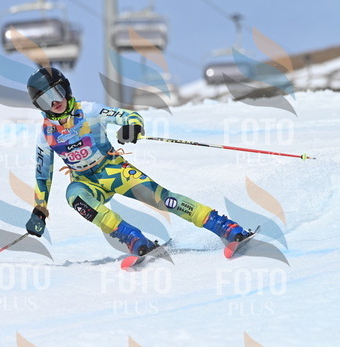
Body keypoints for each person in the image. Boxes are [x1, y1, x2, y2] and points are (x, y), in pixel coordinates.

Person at [24, 67, 251, 256]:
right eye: (45, 100)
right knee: (74, 196)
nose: (54, 102)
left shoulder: (89, 111)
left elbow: (128, 116)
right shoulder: (46, 136)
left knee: (164, 199)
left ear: (66, 88)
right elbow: (43, 176)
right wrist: (40, 210)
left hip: (113, 170)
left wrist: (131, 126)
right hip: (86, 183)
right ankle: (133, 239)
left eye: (57, 92)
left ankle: (224, 226)